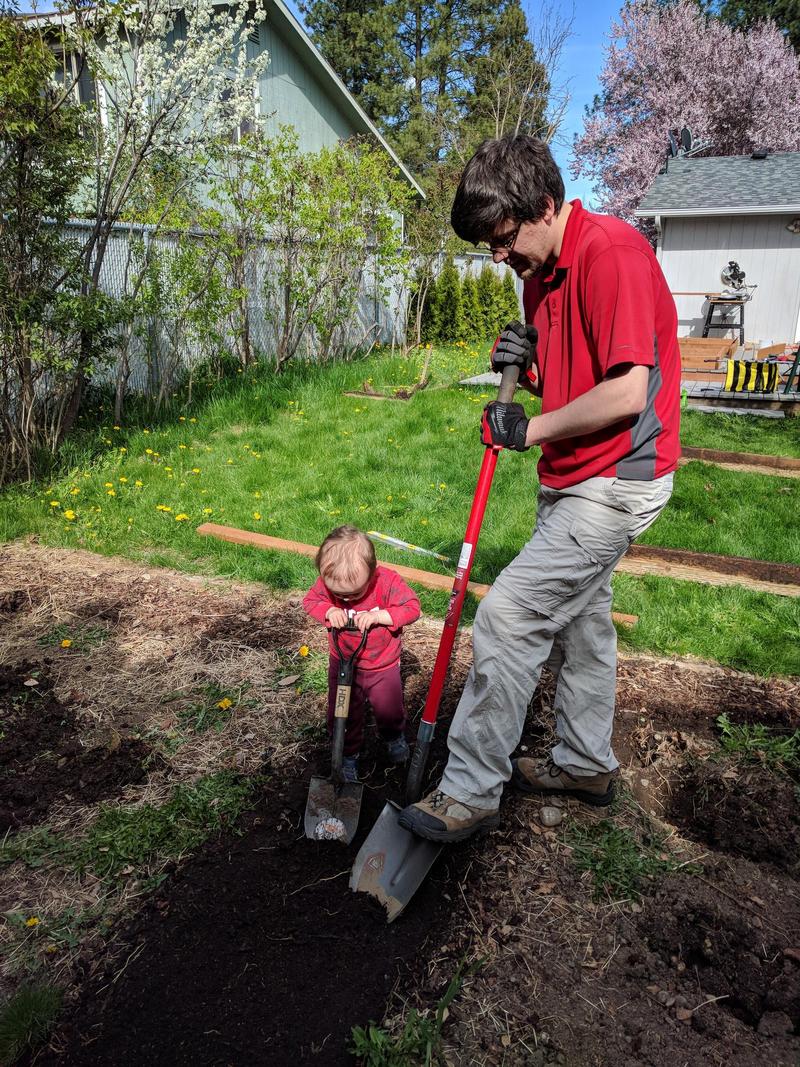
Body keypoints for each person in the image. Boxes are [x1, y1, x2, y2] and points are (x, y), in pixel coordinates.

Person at [399, 135, 680, 843]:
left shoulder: (610, 253)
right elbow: (569, 385)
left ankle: (467, 792)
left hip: (618, 476)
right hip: (574, 469)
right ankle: (586, 762)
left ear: (546, 206)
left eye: (501, 239)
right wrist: (525, 376)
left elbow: (624, 392)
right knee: (583, 626)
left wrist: (528, 430)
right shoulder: (539, 272)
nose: (498, 257)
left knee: (510, 615)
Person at [303, 525, 421, 782]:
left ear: (372, 573)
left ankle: (393, 737)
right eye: (338, 595)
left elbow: (412, 608)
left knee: (388, 709)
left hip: (382, 665)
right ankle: (347, 756)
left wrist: (381, 615)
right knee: (343, 712)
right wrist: (327, 609)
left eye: (354, 594)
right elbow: (310, 601)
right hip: (344, 664)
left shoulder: (387, 582)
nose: (345, 601)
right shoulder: (326, 585)